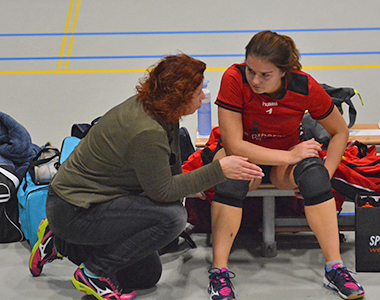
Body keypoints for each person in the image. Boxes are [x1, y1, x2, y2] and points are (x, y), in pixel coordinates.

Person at [28, 54, 264, 300]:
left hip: (94, 201)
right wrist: (218, 171)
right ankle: (94, 273)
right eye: (197, 93)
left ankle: (58, 243)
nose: (203, 97)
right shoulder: (147, 132)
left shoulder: (159, 111)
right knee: (172, 218)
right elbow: (162, 192)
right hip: (73, 210)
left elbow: (170, 175)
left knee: (146, 275)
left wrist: (194, 183)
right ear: (179, 98)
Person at [207, 31, 365, 300]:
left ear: (284, 72)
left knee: (315, 175)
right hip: (249, 158)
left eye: (265, 75)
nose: (255, 80)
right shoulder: (233, 78)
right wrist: (289, 156)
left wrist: (326, 174)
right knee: (232, 174)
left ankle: (335, 268)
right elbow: (234, 146)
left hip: (283, 164)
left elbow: (340, 132)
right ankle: (218, 272)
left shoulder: (304, 87)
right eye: (251, 71)